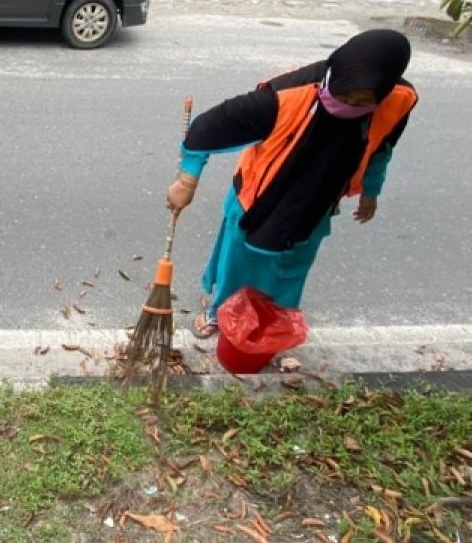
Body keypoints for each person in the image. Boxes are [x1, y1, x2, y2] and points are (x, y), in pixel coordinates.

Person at [166, 30, 418, 337]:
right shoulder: (284, 96)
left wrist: (371, 192)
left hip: (318, 201)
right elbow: (206, 128)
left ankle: (275, 324)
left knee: (291, 267)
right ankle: (220, 312)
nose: (349, 104)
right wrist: (187, 180)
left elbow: (381, 148)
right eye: (344, 95)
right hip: (258, 195)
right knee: (239, 260)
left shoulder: (398, 101)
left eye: (362, 101)